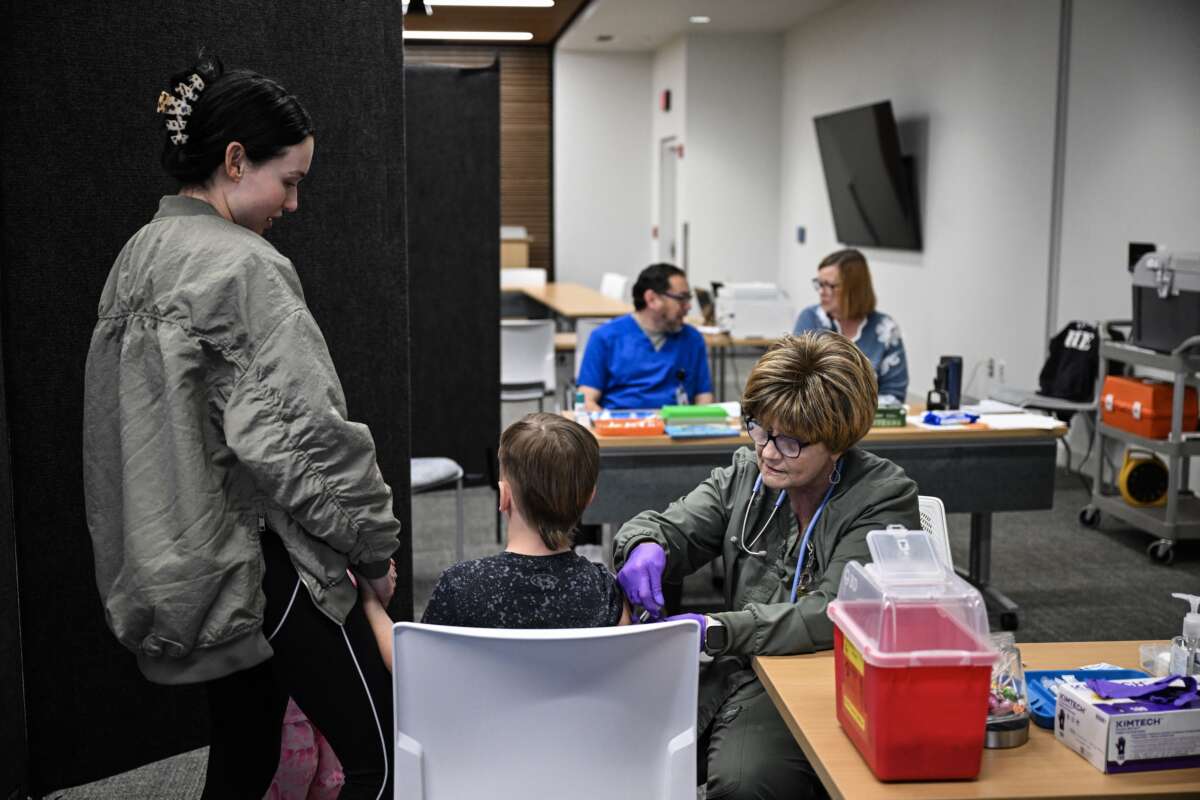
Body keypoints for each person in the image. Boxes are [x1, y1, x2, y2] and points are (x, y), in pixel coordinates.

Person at [82, 54, 400, 800]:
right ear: (234, 160)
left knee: (245, 754)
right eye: (288, 181)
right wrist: (375, 547)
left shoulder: (137, 256)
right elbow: (306, 442)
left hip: (180, 568)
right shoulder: (244, 267)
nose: (294, 204)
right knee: (383, 762)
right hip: (258, 562)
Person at [613, 331, 919, 800]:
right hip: (734, 668)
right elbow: (673, 526)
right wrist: (645, 546)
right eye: (760, 428)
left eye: (791, 441)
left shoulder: (882, 498)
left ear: (838, 442)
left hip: (815, 677)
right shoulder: (750, 474)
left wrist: (720, 629)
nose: (769, 451)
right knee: (611, 741)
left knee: (745, 784)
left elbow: (833, 612)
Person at [358, 413, 629, 667]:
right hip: (579, 719)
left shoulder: (461, 586)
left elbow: (415, 668)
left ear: (504, 496)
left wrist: (371, 602)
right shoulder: (606, 591)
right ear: (589, 498)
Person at [578, 263, 715, 410]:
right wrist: (605, 425)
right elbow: (587, 400)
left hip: (677, 428)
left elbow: (704, 397)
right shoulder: (605, 337)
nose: (688, 306)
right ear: (651, 299)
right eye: (681, 298)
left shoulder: (692, 339)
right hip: (621, 427)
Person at [793, 248, 909, 404]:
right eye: (819, 284)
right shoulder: (810, 319)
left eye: (830, 285)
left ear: (854, 289)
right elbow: (793, 384)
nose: (822, 292)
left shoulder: (886, 328)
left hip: (870, 425)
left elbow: (895, 395)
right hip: (815, 425)